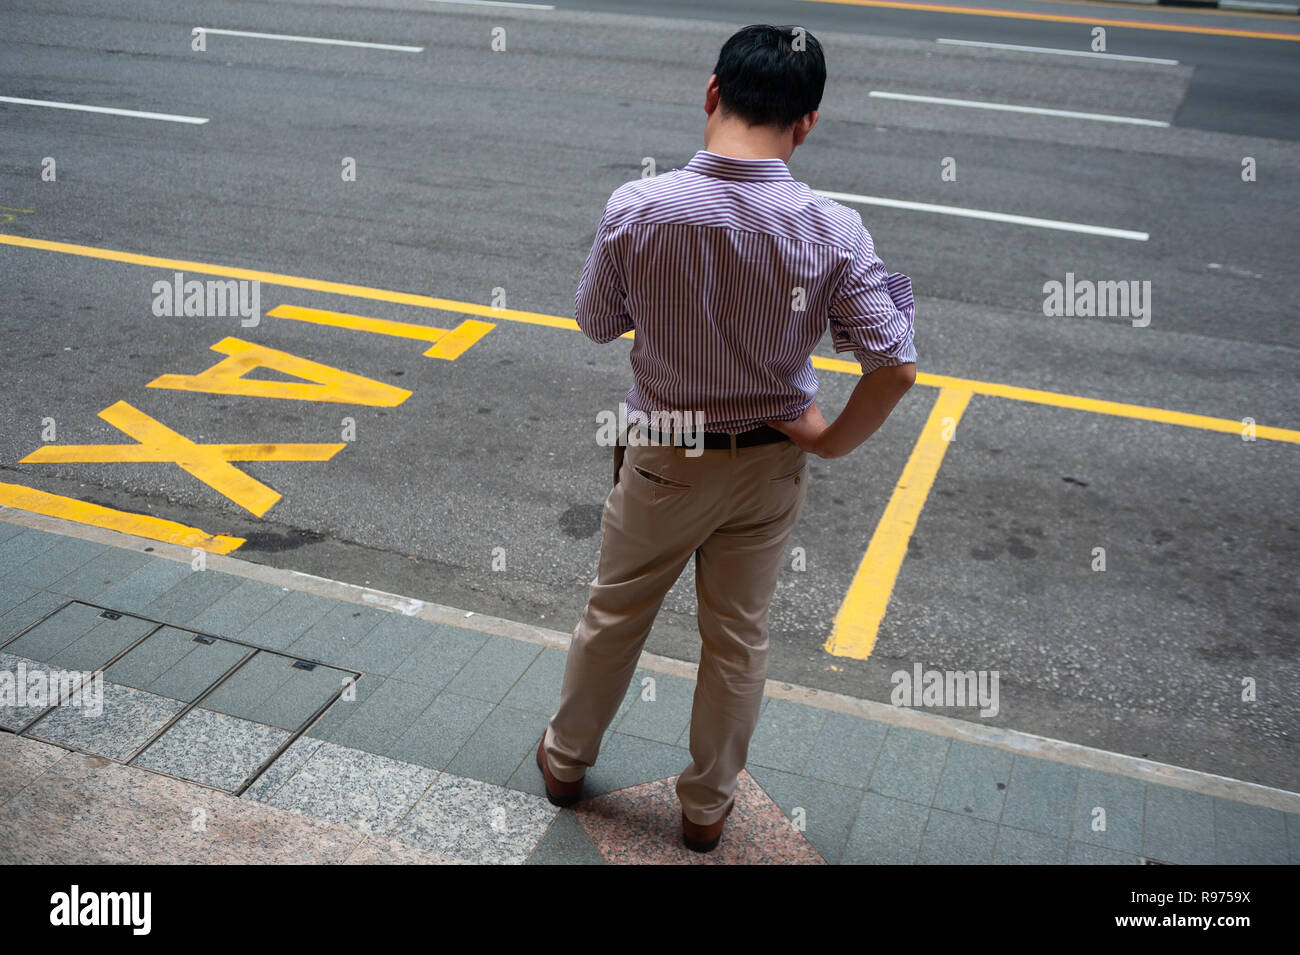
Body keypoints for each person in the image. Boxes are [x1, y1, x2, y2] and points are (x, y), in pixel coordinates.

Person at [538, 23, 917, 853]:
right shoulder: (833, 229)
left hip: (667, 456)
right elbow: (895, 363)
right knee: (738, 637)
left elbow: (597, 322)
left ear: (711, 92)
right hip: (772, 465)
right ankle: (706, 807)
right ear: (806, 122)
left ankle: (565, 764)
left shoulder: (640, 208)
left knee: (615, 613)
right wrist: (828, 442)